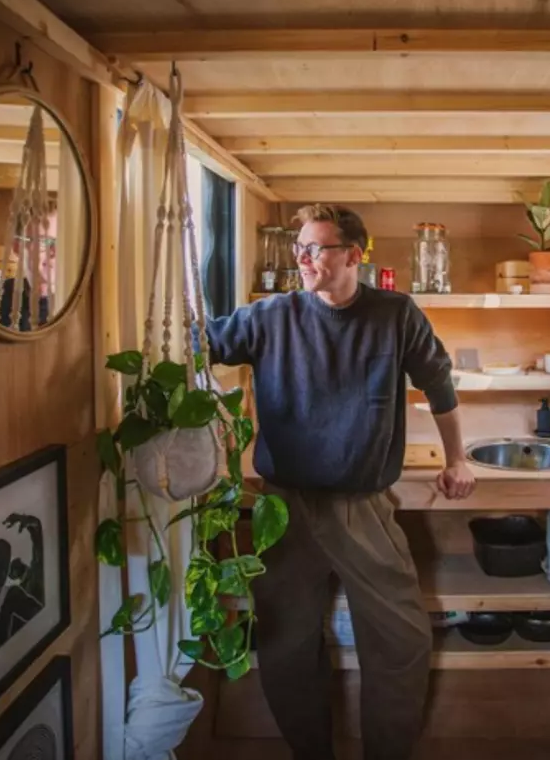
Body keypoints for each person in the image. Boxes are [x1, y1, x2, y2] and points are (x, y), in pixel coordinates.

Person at [201, 204, 475, 760]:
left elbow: (438, 384)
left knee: (401, 638)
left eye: (317, 247)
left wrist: (457, 459)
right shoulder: (269, 315)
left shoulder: (396, 314)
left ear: (354, 255)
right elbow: (197, 345)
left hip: (363, 505)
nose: (303, 258)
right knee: (285, 641)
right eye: (300, 247)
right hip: (285, 508)